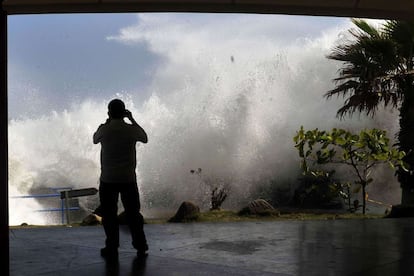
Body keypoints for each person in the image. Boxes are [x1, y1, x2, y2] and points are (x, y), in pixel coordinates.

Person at [93, 98, 148, 260]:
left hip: (108, 179)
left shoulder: (104, 130)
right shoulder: (131, 129)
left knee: (109, 215)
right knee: (133, 214)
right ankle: (140, 244)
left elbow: (95, 139)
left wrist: (106, 121)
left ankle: (112, 246)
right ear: (124, 112)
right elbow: (145, 138)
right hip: (128, 179)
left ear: (109, 113)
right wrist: (131, 119)